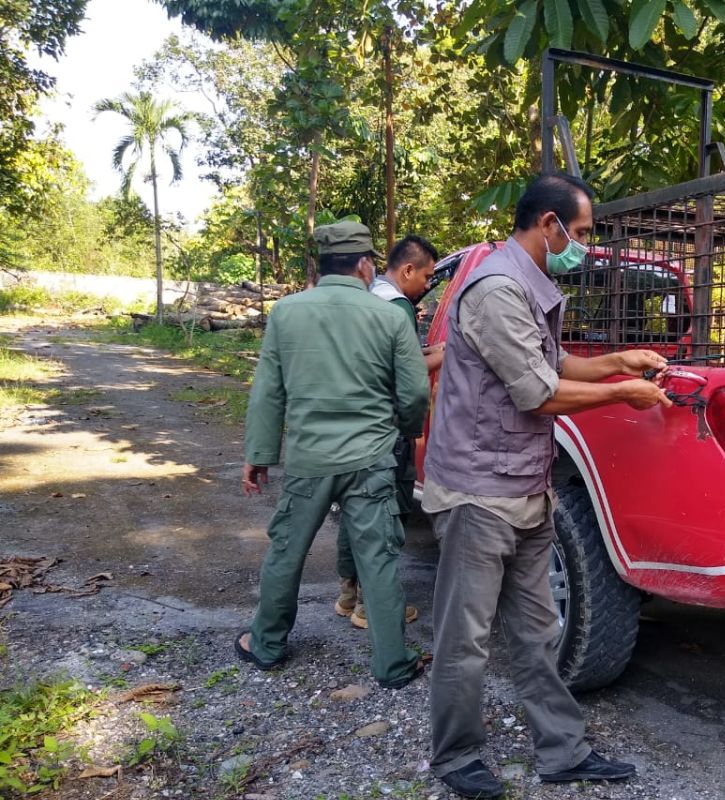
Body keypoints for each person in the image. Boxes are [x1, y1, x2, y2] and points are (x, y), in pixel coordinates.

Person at [422, 173, 671, 799]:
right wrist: (623, 394)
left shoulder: (531, 286)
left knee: (537, 632)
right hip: (480, 492)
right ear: (547, 225)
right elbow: (537, 393)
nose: (582, 246)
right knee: (466, 637)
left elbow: (553, 363)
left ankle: (563, 751)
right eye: (580, 233)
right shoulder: (498, 289)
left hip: (525, 490)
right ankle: (456, 757)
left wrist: (620, 360)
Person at [235, 220, 428, 690]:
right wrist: (403, 431)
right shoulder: (389, 316)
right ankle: (392, 664)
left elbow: (268, 392)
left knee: (287, 551)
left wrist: (259, 454)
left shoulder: (287, 312)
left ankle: (267, 645)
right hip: (371, 460)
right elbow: (415, 391)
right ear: (365, 265)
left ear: (321, 266)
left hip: (308, 459)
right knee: (379, 559)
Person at [334, 234, 444, 630]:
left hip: (352, 425)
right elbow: (408, 376)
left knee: (354, 512)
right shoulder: (397, 306)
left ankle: (348, 594)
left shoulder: (367, 297)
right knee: (385, 516)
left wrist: (434, 351)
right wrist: (414, 427)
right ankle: (372, 607)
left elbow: (393, 358)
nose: (429, 285)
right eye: (428, 276)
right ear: (407, 270)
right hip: (387, 428)